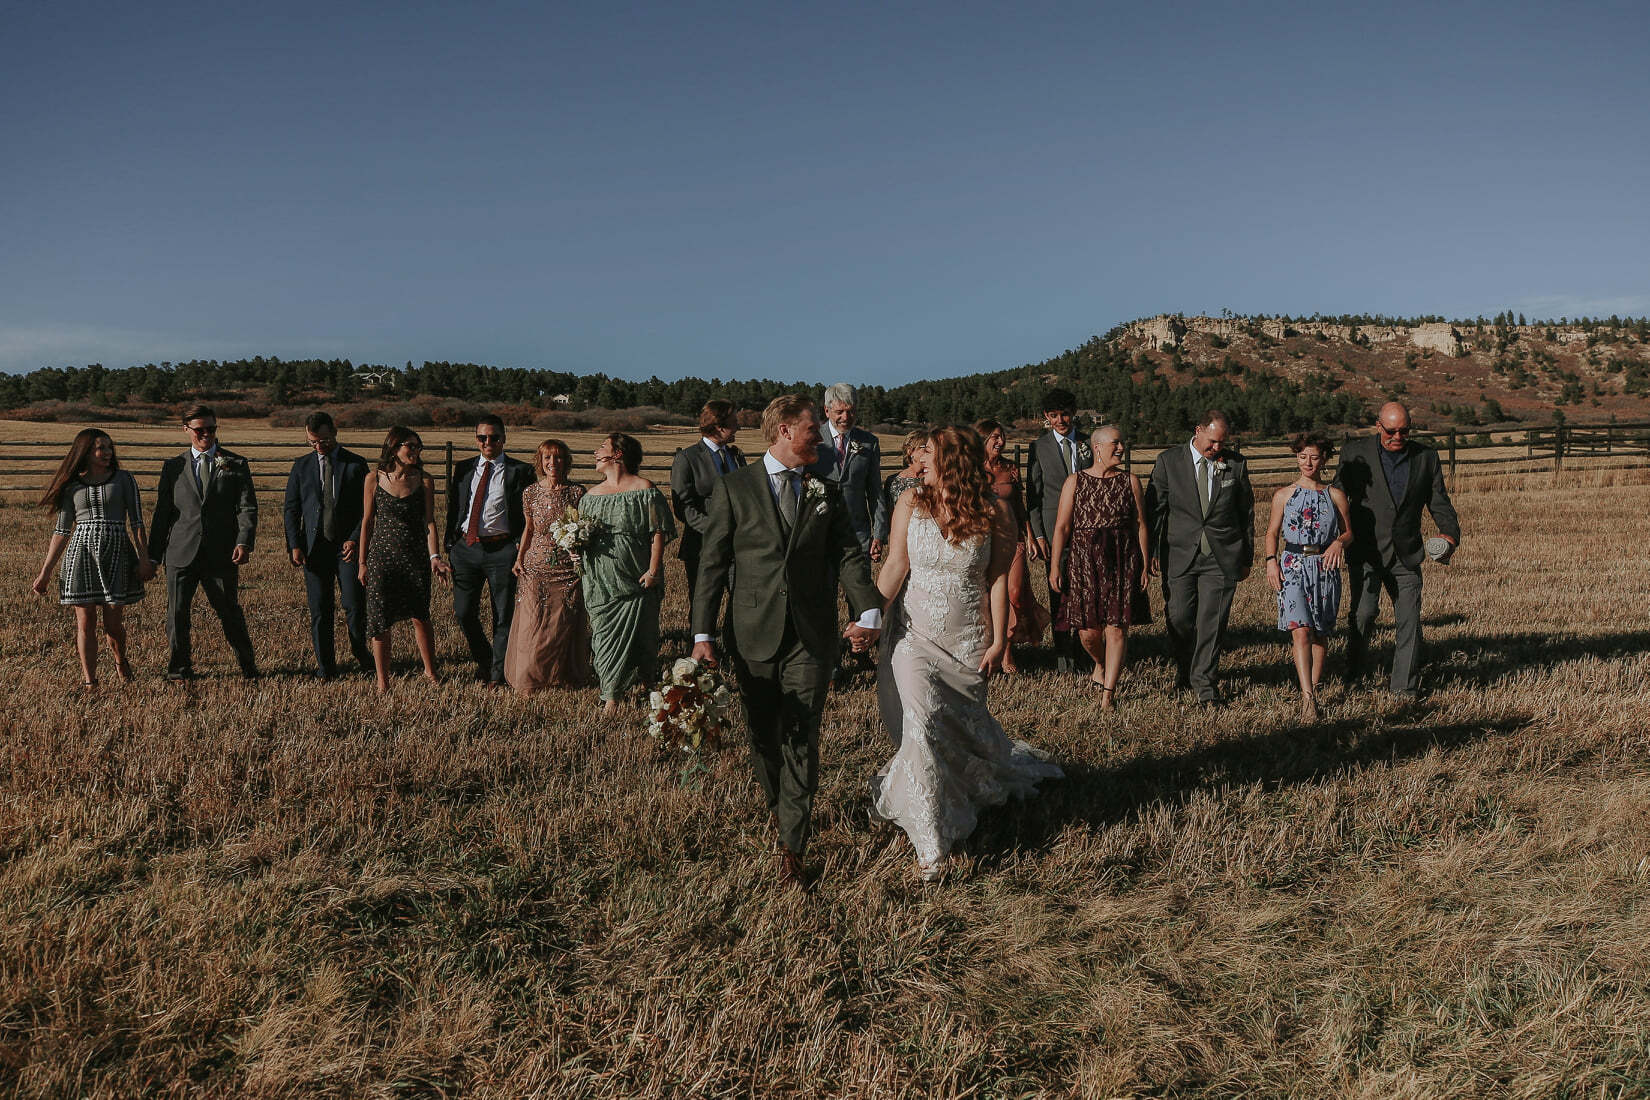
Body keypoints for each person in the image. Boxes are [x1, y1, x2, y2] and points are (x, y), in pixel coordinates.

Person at [691, 394, 882, 889]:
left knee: (802, 733)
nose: (819, 438)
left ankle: (792, 847)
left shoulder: (827, 490)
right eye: (812, 431)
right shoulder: (734, 489)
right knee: (763, 736)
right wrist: (702, 634)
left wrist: (868, 608)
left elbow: (847, 555)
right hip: (750, 633)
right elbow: (711, 566)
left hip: (811, 635)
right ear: (783, 433)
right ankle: (781, 809)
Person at [871, 426, 1063, 882]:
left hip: (966, 640)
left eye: (929, 456)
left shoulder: (995, 511)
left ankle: (962, 789)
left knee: (952, 731)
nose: (921, 465)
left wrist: (999, 641)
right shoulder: (910, 502)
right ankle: (930, 845)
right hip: (914, 637)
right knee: (920, 723)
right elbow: (896, 565)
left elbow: (997, 579)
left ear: (952, 461)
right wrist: (868, 618)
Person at [1332, 401, 1461, 698]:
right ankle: (1353, 676)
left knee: (1409, 621)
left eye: (1404, 431)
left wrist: (1450, 535)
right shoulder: (1354, 452)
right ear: (1378, 426)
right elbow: (1338, 496)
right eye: (1391, 431)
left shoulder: (1426, 457)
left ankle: (1404, 687)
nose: (1397, 437)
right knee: (1362, 615)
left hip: (1406, 553)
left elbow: (1438, 500)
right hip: (1365, 551)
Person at [1146, 409, 1255, 707]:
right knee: (1179, 617)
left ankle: (1205, 686)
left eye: (1222, 442)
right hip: (1179, 554)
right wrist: (1152, 552)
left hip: (1222, 557)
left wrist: (1247, 556)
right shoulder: (1168, 462)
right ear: (1198, 430)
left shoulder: (1236, 464)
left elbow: (1246, 513)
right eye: (1213, 441)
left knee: (1212, 622)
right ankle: (1185, 671)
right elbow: (1155, 511)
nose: (1217, 448)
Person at [31, 429, 154, 688]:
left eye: (109, 447)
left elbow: (138, 523)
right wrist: (45, 572)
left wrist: (145, 559)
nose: (108, 453)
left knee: (113, 624)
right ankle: (90, 681)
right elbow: (62, 531)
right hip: (81, 555)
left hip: (117, 552)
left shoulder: (124, 479)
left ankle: (121, 660)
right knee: (85, 621)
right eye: (101, 448)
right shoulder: (72, 485)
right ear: (86, 452)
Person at [148, 405, 259, 681]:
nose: (206, 434)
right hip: (180, 552)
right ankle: (179, 669)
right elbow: (162, 513)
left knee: (230, 612)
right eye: (200, 430)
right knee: (176, 614)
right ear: (186, 430)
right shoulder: (173, 467)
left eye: (211, 429)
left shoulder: (236, 464)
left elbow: (247, 508)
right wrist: (153, 556)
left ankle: (248, 667)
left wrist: (243, 542)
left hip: (220, 553)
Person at [1048, 425, 1150, 710]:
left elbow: (1141, 524)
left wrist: (1143, 563)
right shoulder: (1075, 481)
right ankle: (1101, 663)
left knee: (1117, 628)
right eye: (1115, 443)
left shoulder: (1131, 481)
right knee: (1088, 632)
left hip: (1121, 558)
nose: (1121, 448)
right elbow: (1062, 527)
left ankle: (1108, 694)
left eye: (1122, 443)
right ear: (1097, 448)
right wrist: (1055, 565)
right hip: (1083, 560)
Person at [580, 433, 677, 716]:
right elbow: (582, 536)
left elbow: (657, 533)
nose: (596, 453)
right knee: (603, 637)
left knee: (644, 637)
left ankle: (648, 683)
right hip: (600, 580)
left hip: (637, 578)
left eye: (602, 448)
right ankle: (611, 694)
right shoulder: (590, 496)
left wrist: (654, 570)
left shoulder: (644, 489)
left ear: (618, 454)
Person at [1265, 431, 1353, 721]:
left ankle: (1314, 687)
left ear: (1324, 459)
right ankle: (1308, 699)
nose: (1308, 462)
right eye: (1302, 457)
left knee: (1319, 633)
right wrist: (1270, 561)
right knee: (1300, 630)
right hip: (1292, 565)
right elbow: (1272, 532)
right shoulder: (1284, 495)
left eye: (1314, 457)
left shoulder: (1334, 495)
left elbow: (1348, 531)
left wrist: (1339, 542)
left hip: (1324, 567)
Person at [442, 414, 535, 686]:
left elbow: (528, 513)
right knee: (463, 612)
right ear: (476, 440)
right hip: (466, 549)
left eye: (494, 437)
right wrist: (451, 544)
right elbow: (453, 506)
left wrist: (519, 546)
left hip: (502, 550)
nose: (488, 442)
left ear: (503, 439)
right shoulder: (463, 468)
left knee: (503, 615)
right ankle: (485, 659)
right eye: (482, 437)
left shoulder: (520, 471)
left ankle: (497, 676)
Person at [282, 411, 373, 680]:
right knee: (320, 609)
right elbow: (291, 509)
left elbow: (367, 509)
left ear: (335, 432)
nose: (319, 446)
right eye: (313, 442)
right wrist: (294, 545)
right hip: (314, 548)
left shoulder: (356, 464)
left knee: (354, 606)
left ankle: (362, 655)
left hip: (346, 548)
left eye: (323, 440)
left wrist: (355, 538)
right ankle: (327, 667)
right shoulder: (301, 466)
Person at [359, 426, 448, 693]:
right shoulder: (373, 478)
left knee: (420, 614)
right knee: (379, 618)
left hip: (414, 555)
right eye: (411, 446)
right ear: (394, 447)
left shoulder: (425, 480)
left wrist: (435, 557)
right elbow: (367, 522)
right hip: (381, 558)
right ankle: (383, 682)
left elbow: (430, 522)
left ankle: (431, 673)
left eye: (419, 447)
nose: (416, 451)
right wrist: (362, 562)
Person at [504, 439, 592, 694]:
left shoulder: (577, 493)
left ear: (567, 461)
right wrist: (519, 558)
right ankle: (529, 677)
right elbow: (528, 529)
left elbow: (583, 529)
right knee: (532, 622)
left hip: (566, 569)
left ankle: (560, 675)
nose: (553, 463)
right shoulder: (530, 492)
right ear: (540, 462)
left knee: (561, 623)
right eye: (548, 458)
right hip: (535, 567)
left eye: (559, 458)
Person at [1024, 388, 1092, 673]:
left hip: (1089, 528)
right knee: (1059, 591)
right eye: (1054, 415)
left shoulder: (1091, 443)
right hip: (1053, 531)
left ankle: (1088, 651)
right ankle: (1064, 657)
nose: (1060, 420)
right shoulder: (1038, 448)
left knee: (1088, 592)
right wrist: (1039, 535)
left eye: (1064, 414)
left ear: (1073, 412)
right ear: (1046, 417)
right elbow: (1034, 496)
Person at [976, 418, 1049, 674]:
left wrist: (1030, 536)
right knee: (986, 597)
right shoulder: (971, 469)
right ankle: (992, 649)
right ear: (982, 439)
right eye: (994, 436)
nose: (1000, 441)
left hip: (1012, 538)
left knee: (1015, 592)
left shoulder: (1011, 469)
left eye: (1002, 436)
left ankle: (1007, 650)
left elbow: (1020, 506)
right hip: (982, 540)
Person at [670, 399, 744, 608]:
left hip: (737, 546)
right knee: (703, 606)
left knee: (741, 604)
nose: (738, 426)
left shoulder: (736, 455)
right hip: (702, 546)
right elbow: (683, 506)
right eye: (733, 422)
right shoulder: (687, 458)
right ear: (719, 426)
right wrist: (714, 529)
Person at [808, 383, 886, 560]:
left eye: (851, 411)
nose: (846, 417)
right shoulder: (812, 439)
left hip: (858, 535)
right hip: (819, 534)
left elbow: (875, 491)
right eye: (840, 412)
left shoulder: (869, 442)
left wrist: (879, 533)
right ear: (827, 411)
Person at [875, 429, 929, 548]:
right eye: (924, 447)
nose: (929, 451)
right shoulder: (893, 481)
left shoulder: (933, 479)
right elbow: (888, 514)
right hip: (901, 542)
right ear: (910, 451)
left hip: (926, 542)